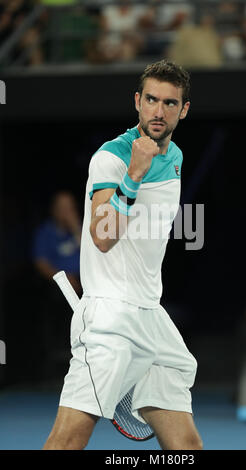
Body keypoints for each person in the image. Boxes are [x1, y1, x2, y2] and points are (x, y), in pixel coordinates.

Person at [43, 60, 203, 450]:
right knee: (67, 442)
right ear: (137, 101)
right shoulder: (112, 158)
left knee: (187, 448)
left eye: (169, 103)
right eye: (151, 99)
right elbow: (101, 237)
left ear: (183, 110)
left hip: (151, 316)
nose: (158, 111)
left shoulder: (177, 157)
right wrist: (134, 174)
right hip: (110, 320)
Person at [32, 190, 82, 380]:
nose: (66, 211)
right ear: (53, 210)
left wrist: (76, 228)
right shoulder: (45, 232)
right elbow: (41, 263)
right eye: (62, 208)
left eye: (69, 207)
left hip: (85, 286)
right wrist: (64, 280)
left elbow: (95, 254)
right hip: (57, 288)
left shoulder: (83, 229)